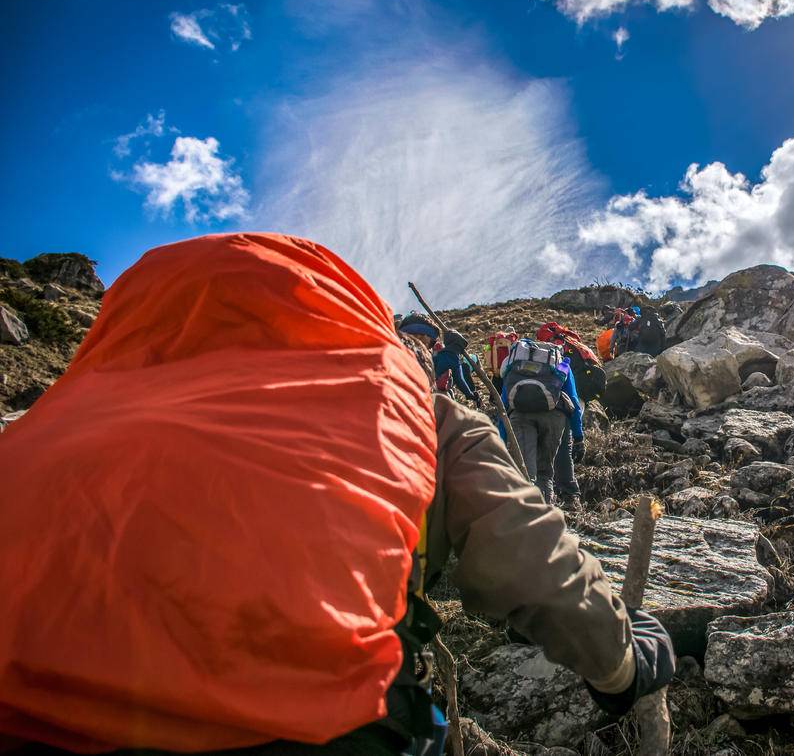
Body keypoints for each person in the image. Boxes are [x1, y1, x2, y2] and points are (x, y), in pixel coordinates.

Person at [0, 233, 674, 756]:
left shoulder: (45, 423)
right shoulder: (406, 400)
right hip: (311, 721)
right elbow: (526, 551)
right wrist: (618, 663)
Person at [500, 339, 584, 506]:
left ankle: (526, 513)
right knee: (545, 472)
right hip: (554, 417)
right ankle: (546, 513)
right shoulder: (560, 364)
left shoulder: (515, 364)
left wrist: (500, 440)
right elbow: (573, 401)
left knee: (525, 472)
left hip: (520, 415)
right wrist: (578, 435)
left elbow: (503, 404)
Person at [432, 330, 481, 406]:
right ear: (458, 347)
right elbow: (460, 381)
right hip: (442, 392)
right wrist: (471, 395)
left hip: (431, 390)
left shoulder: (439, 355)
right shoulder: (454, 360)